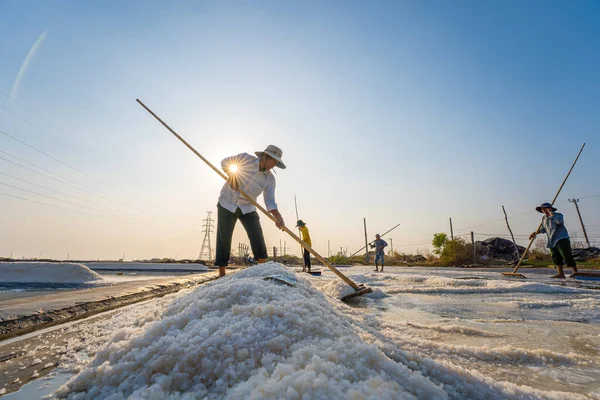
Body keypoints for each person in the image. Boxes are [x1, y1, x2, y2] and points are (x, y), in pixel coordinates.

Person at [215, 145, 286, 277]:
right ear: (265, 156)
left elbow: (269, 200)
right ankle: (221, 273)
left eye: (276, 163)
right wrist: (232, 175)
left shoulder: (270, 179)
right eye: (273, 161)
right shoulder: (245, 159)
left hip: (247, 207)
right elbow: (225, 162)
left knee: (257, 234)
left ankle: (262, 270)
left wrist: (277, 215)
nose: (273, 165)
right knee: (223, 236)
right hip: (227, 202)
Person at [529, 202, 578, 279]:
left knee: (566, 255)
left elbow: (559, 222)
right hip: (551, 240)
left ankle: (575, 272)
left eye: (546, 209)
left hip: (561, 239)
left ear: (550, 208)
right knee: (555, 257)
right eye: (543, 209)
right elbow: (543, 229)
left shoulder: (558, 215)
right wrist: (535, 233)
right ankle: (560, 274)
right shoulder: (544, 218)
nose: (544, 210)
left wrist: (551, 213)